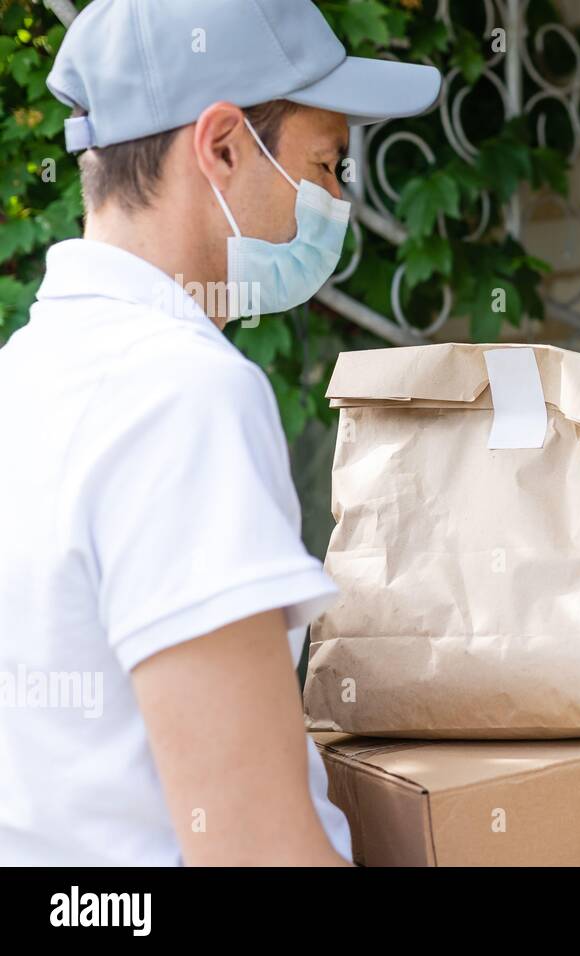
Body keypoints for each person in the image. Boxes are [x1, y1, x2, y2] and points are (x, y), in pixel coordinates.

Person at [0, 0, 440, 865]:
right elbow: (254, 850)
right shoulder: (182, 395)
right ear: (224, 145)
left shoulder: (25, 373)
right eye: (326, 164)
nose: (336, 201)